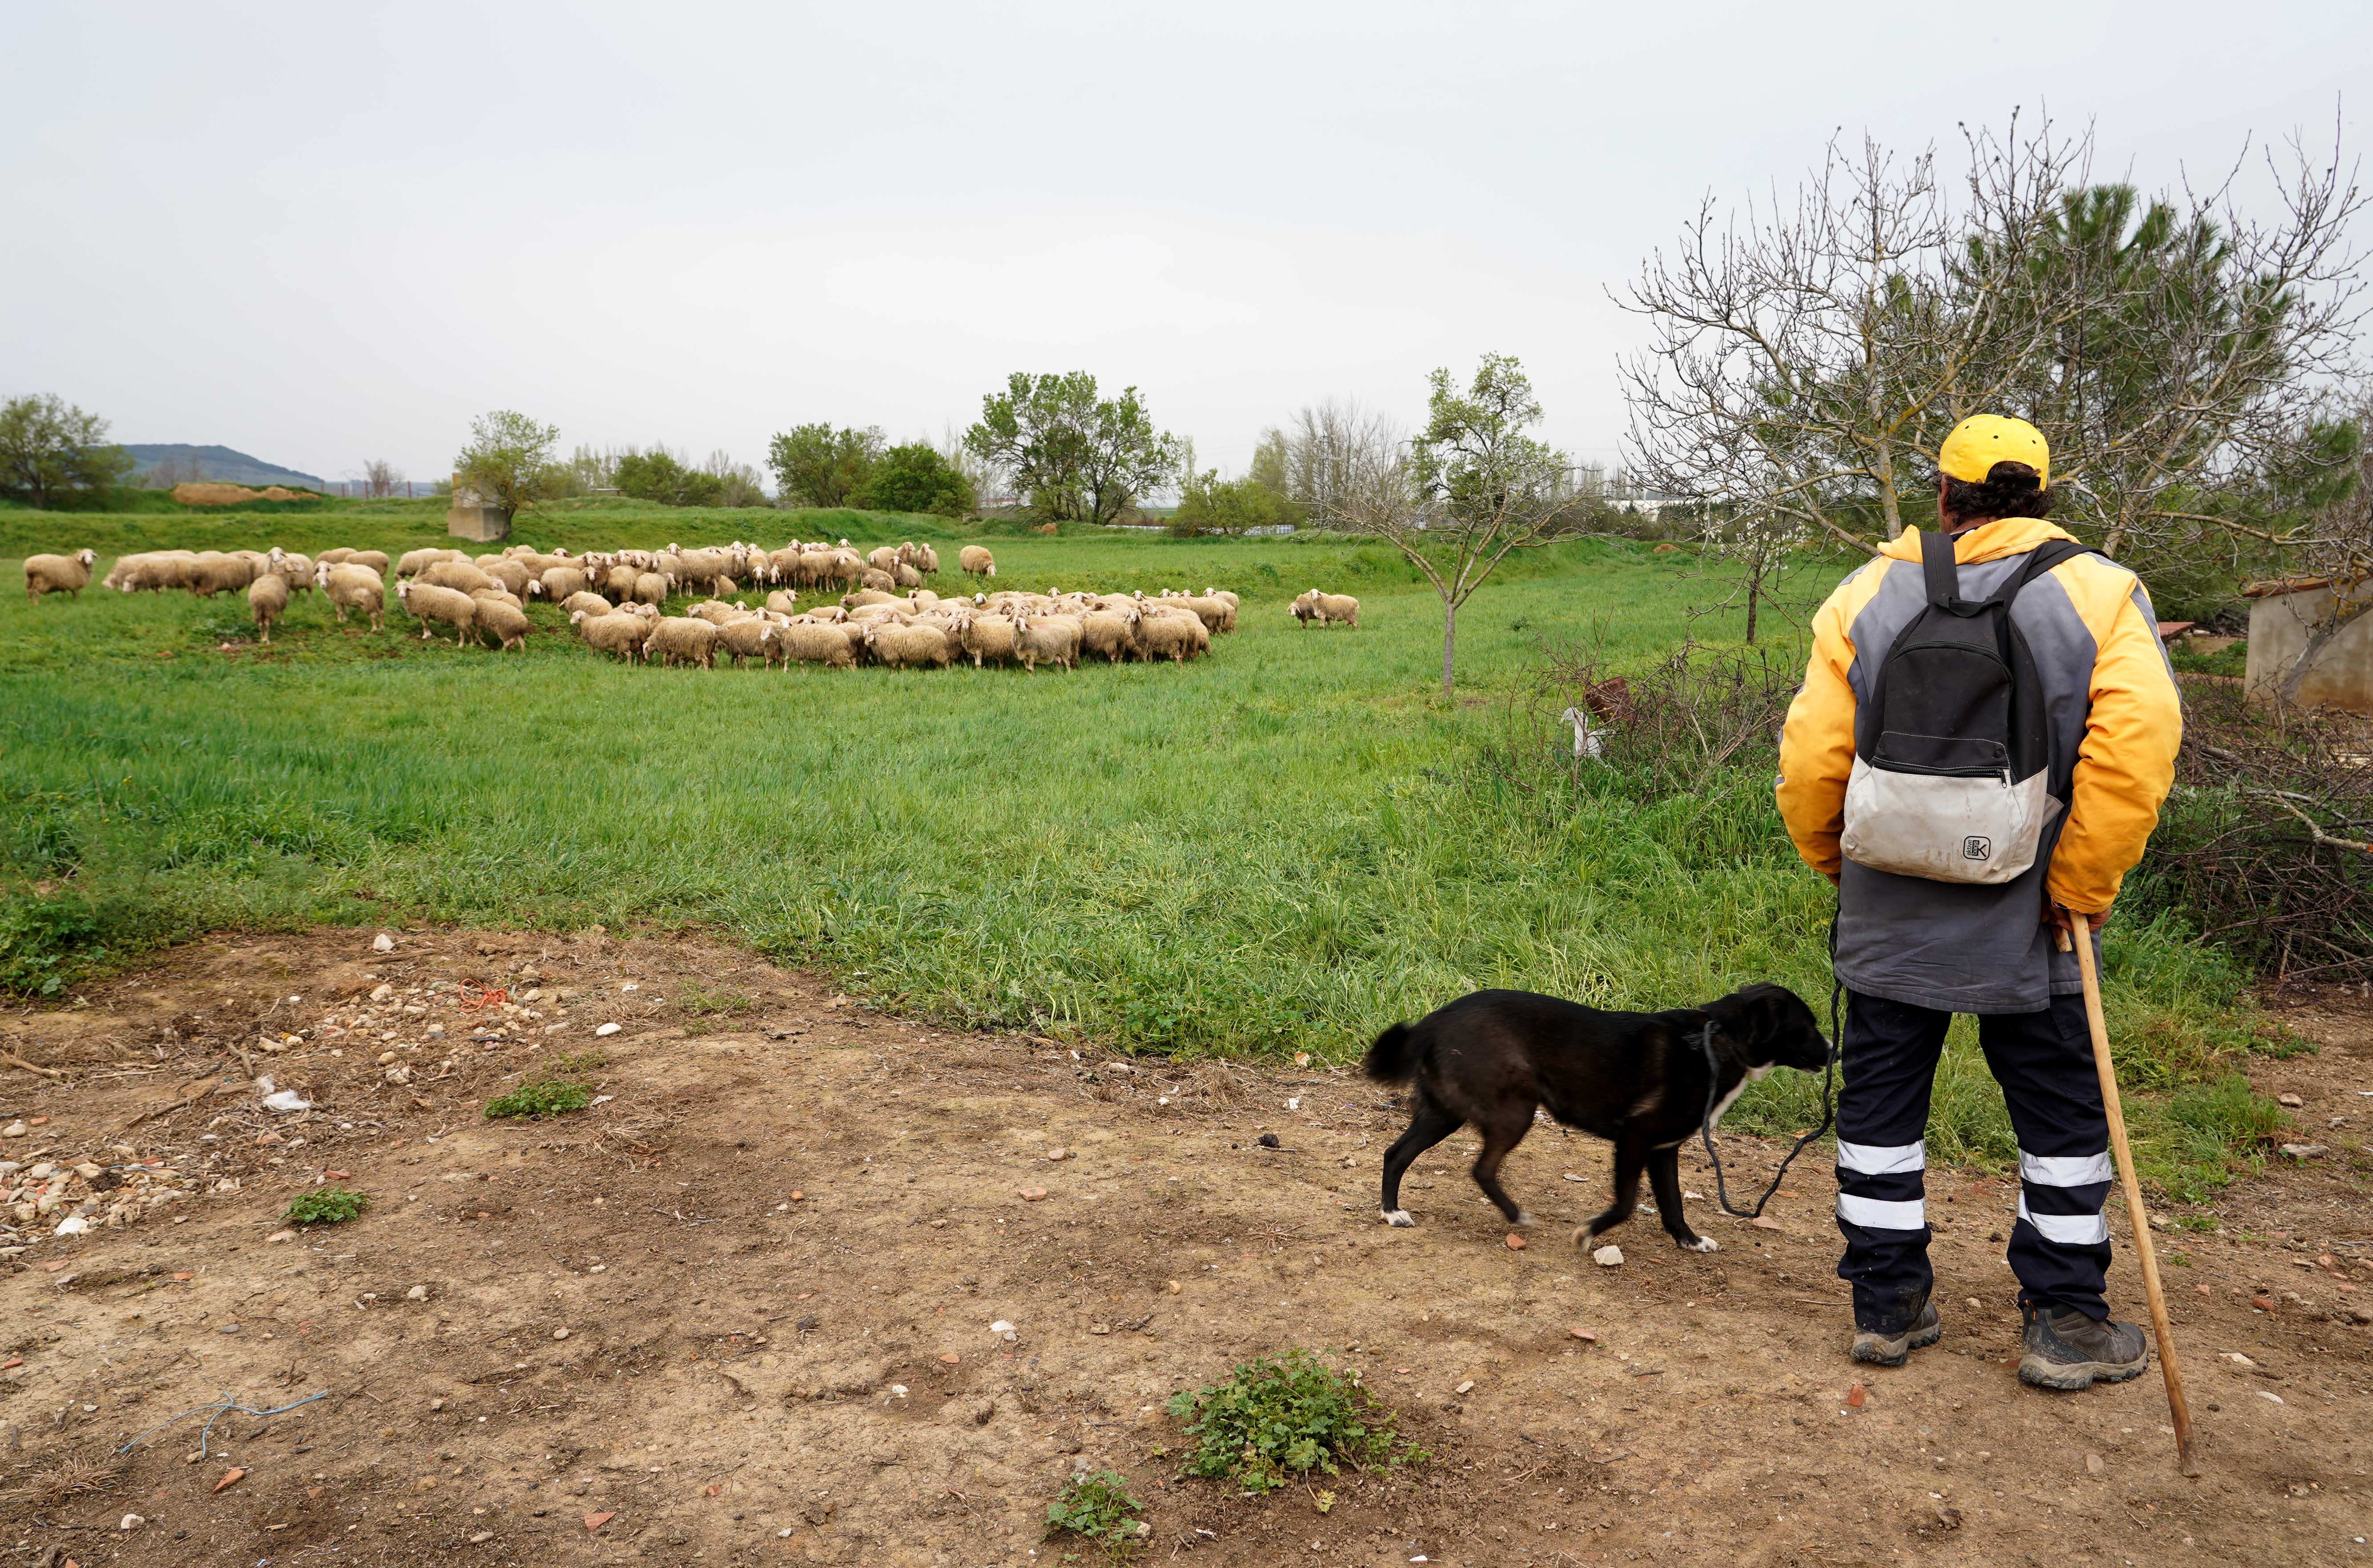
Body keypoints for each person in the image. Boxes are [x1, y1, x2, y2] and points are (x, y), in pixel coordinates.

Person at [1775, 415, 2183, 1390]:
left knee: (1878, 1105)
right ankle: (2066, 1324)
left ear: (1943, 495)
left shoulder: (1866, 591)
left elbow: (1808, 762)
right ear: (2041, 496)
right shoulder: (2099, 593)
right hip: (2031, 917)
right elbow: (2133, 752)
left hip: (1887, 907)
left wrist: (1840, 863)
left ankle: (1885, 1308)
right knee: (2057, 1114)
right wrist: (2079, 886)